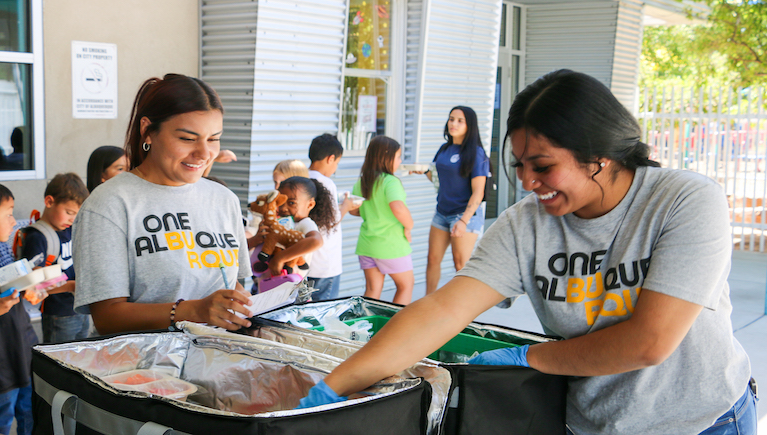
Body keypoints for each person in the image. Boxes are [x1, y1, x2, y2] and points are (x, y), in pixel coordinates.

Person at [296, 70, 756, 435]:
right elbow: (439, 311)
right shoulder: (527, 224)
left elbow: (649, 342)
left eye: (543, 166)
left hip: (704, 423)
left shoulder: (685, 200)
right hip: (590, 423)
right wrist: (332, 388)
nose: (527, 182)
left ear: (600, 155)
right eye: (519, 165)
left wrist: (529, 358)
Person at [72, 73, 253, 334]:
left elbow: (229, 284)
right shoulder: (109, 204)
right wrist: (194, 311)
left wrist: (247, 312)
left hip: (215, 361)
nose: (204, 153)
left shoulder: (224, 199)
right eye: (188, 138)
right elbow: (107, 317)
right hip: (139, 369)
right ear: (147, 131)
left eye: (213, 139)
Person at [422, 106, 489, 295]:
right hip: (442, 212)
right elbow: (438, 177)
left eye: (460, 121)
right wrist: (423, 171)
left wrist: (464, 220)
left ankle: (463, 309)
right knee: (433, 260)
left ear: (470, 126)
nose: (453, 124)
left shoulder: (476, 154)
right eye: (451, 119)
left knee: (461, 265)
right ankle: (428, 302)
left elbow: (478, 192)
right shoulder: (444, 149)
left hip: (464, 215)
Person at [20, 173, 90, 344]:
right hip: (59, 313)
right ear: (49, 202)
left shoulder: (69, 229)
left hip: (80, 308)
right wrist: (71, 286)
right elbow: (35, 284)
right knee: (61, 361)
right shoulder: (38, 237)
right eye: (68, 212)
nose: (72, 219)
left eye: (76, 215)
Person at [350, 136, 414, 305]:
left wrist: (372, 211)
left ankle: (367, 327)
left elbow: (355, 210)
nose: (400, 162)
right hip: (390, 246)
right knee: (406, 286)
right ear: (386, 158)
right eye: (398, 157)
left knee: (372, 290)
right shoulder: (390, 182)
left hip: (367, 245)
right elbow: (398, 207)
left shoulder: (362, 182)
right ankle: (397, 329)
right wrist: (409, 226)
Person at [0, 184, 36, 435]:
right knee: (4, 415)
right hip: (2, 358)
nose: (14, 222)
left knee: (28, 407)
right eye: (8, 213)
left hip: (19, 342)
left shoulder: (2, 247)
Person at [307, 134, 360, 300]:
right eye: (337, 163)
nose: (335, 168)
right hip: (324, 264)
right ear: (331, 159)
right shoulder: (326, 183)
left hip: (306, 262)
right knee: (322, 314)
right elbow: (332, 222)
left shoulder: (301, 178)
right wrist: (346, 206)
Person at [253, 176, 335, 279]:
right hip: (267, 283)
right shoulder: (276, 222)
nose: (284, 208)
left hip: (290, 287)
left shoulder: (304, 223)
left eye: (291, 203)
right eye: (280, 202)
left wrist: (280, 258)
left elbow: (316, 241)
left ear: (310, 204)